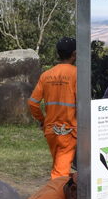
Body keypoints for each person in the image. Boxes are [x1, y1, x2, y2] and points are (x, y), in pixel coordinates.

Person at [28, 37, 77, 179]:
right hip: (68, 131)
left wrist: (42, 120)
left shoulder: (46, 75)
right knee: (59, 174)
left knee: (59, 165)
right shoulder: (76, 74)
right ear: (74, 54)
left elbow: (32, 103)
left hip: (51, 130)